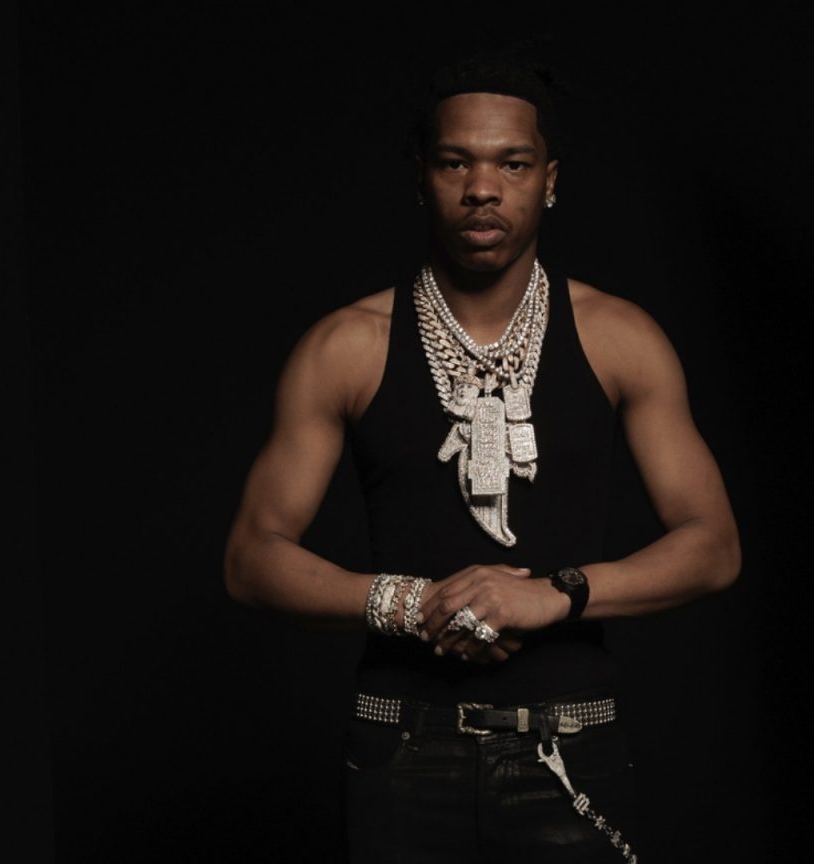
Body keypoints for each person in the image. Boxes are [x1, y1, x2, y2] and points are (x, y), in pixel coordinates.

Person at [223, 49, 741, 863]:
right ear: (421, 177)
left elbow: (713, 547)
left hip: (570, 746)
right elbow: (251, 558)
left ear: (550, 180)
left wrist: (553, 595)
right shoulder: (345, 346)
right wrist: (411, 603)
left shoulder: (620, 338)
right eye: (455, 162)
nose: (482, 188)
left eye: (513, 163)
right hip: (401, 749)